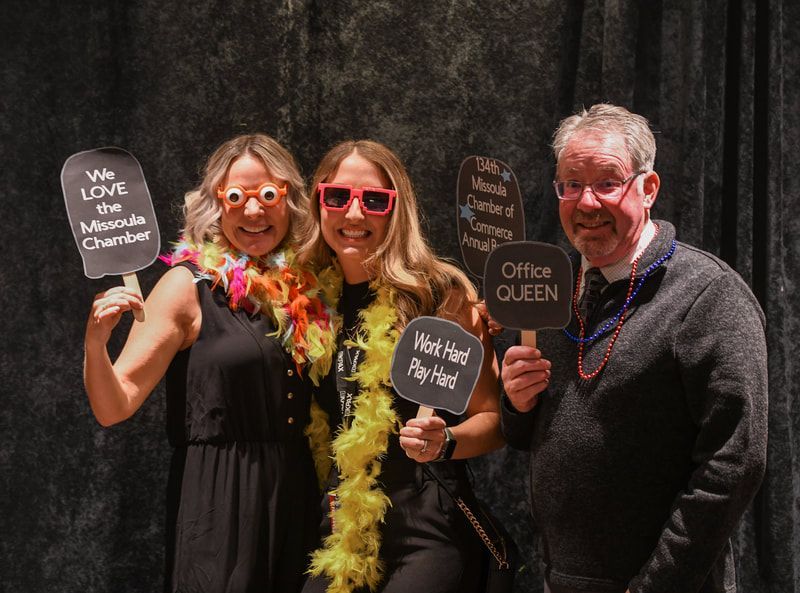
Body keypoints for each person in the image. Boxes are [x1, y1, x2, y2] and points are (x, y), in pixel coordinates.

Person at [500, 104, 768, 593]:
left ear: (648, 189)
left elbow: (734, 463)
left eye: (607, 182)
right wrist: (517, 406)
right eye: (571, 184)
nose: (586, 203)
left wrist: (655, 585)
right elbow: (530, 437)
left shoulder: (709, 295)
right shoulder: (552, 287)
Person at [84, 134, 340, 593]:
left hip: (298, 494)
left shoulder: (308, 289)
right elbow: (114, 405)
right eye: (236, 197)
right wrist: (96, 343)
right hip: (220, 502)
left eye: (268, 195)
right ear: (216, 205)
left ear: (290, 202)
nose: (254, 212)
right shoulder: (185, 287)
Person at [297, 140, 505, 593]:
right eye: (338, 197)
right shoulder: (309, 299)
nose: (354, 215)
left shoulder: (441, 294)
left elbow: (493, 420)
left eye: (374, 200)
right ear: (319, 201)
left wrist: (445, 441)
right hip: (343, 525)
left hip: (427, 522)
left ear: (397, 209)